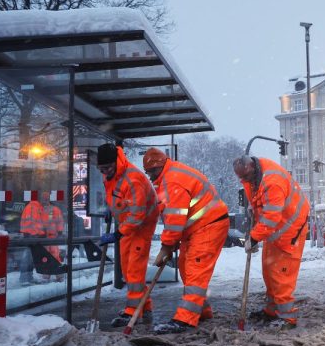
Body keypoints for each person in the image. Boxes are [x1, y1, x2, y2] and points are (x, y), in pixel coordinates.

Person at [142, 147, 230, 334]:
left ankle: (185, 319)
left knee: (195, 270)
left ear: (160, 166)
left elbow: (175, 219)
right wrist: (170, 243)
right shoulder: (169, 177)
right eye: (147, 173)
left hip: (209, 226)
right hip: (197, 228)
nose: (150, 177)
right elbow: (176, 218)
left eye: (151, 172)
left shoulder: (173, 181)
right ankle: (201, 311)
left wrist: (166, 247)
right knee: (186, 268)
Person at [233, 155, 310, 330]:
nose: (244, 181)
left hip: (290, 230)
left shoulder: (272, 181)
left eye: (246, 177)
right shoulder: (255, 176)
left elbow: (271, 218)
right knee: (269, 271)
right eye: (242, 178)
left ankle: (287, 318)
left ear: (252, 169)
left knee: (281, 274)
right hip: (276, 231)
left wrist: (253, 238)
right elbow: (262, 204)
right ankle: (272, 310)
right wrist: (254, 207)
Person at [96, 143, 160, 327]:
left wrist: (117, 234)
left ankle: (132, 312)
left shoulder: (133, 179)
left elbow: (138, 214)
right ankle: (145, 306)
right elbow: (117, 198)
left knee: (134, 269)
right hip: (127, 224)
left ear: (116, 162)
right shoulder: (111, 175)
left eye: (107, 167)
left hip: (142, 226)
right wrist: (112, 210)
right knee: (126, 268)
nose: (105, 171)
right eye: (101, 169)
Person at [19, 191, 65, 283]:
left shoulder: (42, 209)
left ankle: (54, 276)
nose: (45, 200)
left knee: (51, 256)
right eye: (44, 198)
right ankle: (52, 276)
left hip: (46, 237)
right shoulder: (40, 209)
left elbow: (57, 222)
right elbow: (43, 223)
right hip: (44, 237)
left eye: (46, 198)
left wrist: (58, 232)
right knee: (49, 256)